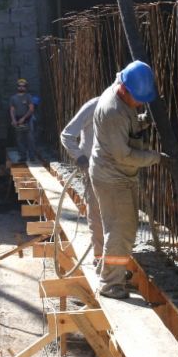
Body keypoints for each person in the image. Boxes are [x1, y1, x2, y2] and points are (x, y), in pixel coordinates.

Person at [90, 60, 165, 300]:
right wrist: (155, 157)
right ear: (125, 89)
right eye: (139, 99)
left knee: (124, 227)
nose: (142, 103)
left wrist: (143, 120)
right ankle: (111, 284)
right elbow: (124, 155)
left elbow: (128, 124)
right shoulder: (113, 109)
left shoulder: (123, 99)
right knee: (120, 230)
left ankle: (116, 275)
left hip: (120, 175)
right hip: (113, 178)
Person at [59, 97, 104, 263]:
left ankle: (116, 259)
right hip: (93, 171)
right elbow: (67, 135)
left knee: (116, 217)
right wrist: (79, 157)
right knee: (97, 214)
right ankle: (100, 257)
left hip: (116, 172)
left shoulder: (126, 107)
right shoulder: (94, 106)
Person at [8, 79, 36, 162]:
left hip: (28, 120)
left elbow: (31, 109)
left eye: (23, 86)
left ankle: (32, 157)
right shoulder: (13, 98)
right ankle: (23, 156)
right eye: (20, 86)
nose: (21, 87)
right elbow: (12, 110)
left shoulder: (28, 97)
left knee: (30, 139)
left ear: (25, 87)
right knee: (19, 139)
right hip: (17, 120)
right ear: (17, 87)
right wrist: (13, 119)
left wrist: (24, 118)